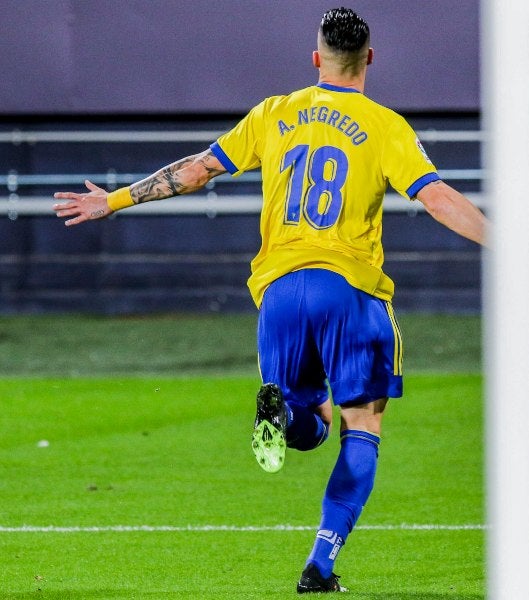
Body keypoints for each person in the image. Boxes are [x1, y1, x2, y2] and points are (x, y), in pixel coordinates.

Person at [53, 7, 486, 594]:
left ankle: (284, 411)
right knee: (361, 426)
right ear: (370, 59)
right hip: (350, 289)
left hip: (279, 292)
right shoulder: (385, 125)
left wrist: (117, 200)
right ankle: (320, 565)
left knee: (310, 428)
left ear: (316, 59)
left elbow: (199, 170)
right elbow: (436, 199)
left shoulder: (273, 113)